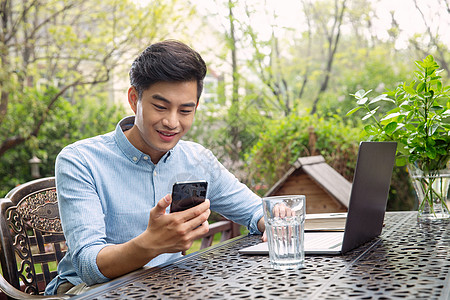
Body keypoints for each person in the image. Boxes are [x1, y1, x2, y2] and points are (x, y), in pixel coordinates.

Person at [45, 40, 265, 295]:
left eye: (185, 110)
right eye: (160, 107)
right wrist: (151, 244)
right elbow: (87, 265)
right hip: (91, 290)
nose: (172, 122)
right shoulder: (80, 160)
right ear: (133, 98)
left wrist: (273, 223)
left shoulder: (197, 158)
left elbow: (255, 211)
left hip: (167, 286)